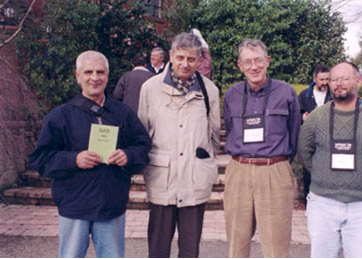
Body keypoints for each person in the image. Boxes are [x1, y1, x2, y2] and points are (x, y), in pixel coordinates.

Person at [29, 50, 151, 258]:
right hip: (74, 205)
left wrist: (128, 156)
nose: (95, 78)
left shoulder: (123, 113)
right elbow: (40, 159)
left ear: (107, 75)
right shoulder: (61, 115)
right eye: (88, 72)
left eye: (100, 72)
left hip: (111, 205)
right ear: (78, 76)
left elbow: (143, 147)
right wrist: (74, 159)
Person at [298, 61, 362, 258]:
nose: (338, 83)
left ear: (358, 81)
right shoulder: (317, 118)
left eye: (344, 78)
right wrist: (323, 175)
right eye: (334, 79)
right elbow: (304, 152)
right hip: (323, 204)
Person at [138, 32, 220, 258]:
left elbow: (213, 137)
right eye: (181, 57)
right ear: (171, 56)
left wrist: (205, 165)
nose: (185, 64)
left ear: (199, 60)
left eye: (191, 59)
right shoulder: (150, 88)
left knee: (190, 249)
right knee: (158, 248)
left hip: (194, 180)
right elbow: (142, 133)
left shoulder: (209, 91)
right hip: (162, 177)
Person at [223, 38, 300, 258]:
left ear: (267, 61)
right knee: (237, 243)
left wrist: (276, 162)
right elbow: (231, 129)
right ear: (240, 65)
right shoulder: (232, 95)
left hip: (274, 170)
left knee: (276, 245)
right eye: (248, 62)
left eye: (258, 60)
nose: (253, 67)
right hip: (239, 171)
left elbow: (294, 133)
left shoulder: (286, 92)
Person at [298, 64, 332, 205]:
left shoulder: (334, 95)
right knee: (308, 171)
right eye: (322, 79)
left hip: (329, 139)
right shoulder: (304, 95)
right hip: (310, 139)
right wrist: (302, 117)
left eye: (327, 79)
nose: (325, 82)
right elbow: (296, 113)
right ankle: (309, 203)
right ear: (314, 79)